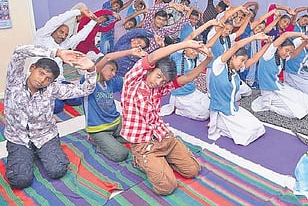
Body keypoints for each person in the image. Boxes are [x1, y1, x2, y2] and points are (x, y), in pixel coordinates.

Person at [120, 40, 211, 195]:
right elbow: (154, 56)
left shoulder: (159, 89)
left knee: (193, 170)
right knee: (167, 187)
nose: (158, 82)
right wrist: (186, 44)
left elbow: (187, 77)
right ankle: (143, 160)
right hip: (145, 145)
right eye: (158, 76)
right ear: (150, 69)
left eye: (163, 81)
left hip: (164, 137)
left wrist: (208, 59)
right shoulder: (132, 82)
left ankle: (163, 161)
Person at [4, 45, 96, 189]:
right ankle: (28, 154)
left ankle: (40, 152)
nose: (42, 80)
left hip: (45, 136)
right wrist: (58, 53)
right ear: (32, 68)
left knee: (57, 170)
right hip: (18, 138)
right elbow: (19, 52)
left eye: (48, 79)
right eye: (41, 73)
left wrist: (91, 70)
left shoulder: (52, 89)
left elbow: (85, 89)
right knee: (20, 180)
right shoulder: (14, 82)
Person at [83, 48, 146, 162]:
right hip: (99, 129)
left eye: (115, 72)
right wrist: (130, 52)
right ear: (101, 66)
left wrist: (146, 61)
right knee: (121, 154)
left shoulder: (111, 82)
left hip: (117, 122)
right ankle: (98, 141)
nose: (113, 74)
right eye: (111, 69)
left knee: (142, 133)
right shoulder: (90, 80)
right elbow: (107, 57)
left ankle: (111, 139)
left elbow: (132, 78)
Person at [208, 33, 270, 145]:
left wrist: (268, 44)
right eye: (241, 60)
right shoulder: (218, 66)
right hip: (222, 112)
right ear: (232, 56)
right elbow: (236, 46)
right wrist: (255, 37)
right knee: (247, 134)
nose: (243, 64)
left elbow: (254, 59)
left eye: (244, 62)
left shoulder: (235, 69)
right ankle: (217, 124)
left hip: (233, 109)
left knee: (258, 127)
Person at [161, 19, 221, 120]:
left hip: (193, 92)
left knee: (213, 106)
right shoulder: (177, 55)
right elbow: (191, 36)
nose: (195, 53)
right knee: (203, 115)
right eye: (192, 49)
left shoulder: (193, 60)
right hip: (181, 96)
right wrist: (209, 23)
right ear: (185, 47)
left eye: (196, 50)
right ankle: (178, 110)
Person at [251, 31, 308, 119]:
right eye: (287, 50)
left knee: (305, 100)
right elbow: (285, 35)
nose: (288, 53)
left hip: (278, 86)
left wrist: (304, 43)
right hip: (269, 91)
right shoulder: (268, 55)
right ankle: (268, 106)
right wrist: (301, 35)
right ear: (279, 47)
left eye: (290, 52)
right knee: (295, 112)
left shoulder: (282, 58)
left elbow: (294, 54)